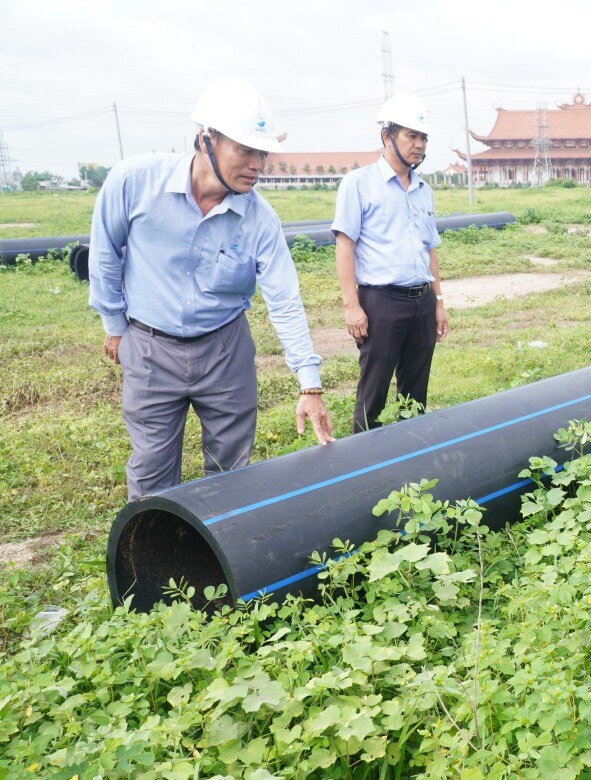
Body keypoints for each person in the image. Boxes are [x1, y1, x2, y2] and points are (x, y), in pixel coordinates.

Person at [88, 79, 334, 500]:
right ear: (206, 140)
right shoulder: (133, 182)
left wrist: (309, 384)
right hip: (150, 345)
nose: (257, 164)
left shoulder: (259, 219)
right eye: (245, 150)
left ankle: (217, 557)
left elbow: (285, 300)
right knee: (151, 470)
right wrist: (114, 325)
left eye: (263, 152)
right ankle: (152, 556)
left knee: (230, 470)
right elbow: (104, 254)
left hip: (225, 350)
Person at [332, 92, 449, 433]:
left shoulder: (423, 189)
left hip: (421, 301)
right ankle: (362, 463)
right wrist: (351, 305)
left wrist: (438, 302)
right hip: (381, 301)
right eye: (411, 136)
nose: (419, 145)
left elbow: (430, 249)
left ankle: (408, 455)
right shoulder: (359, 183)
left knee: (415, 391)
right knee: (374, 391)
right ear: (387, 136)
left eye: (423, 137)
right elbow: (345, 245)